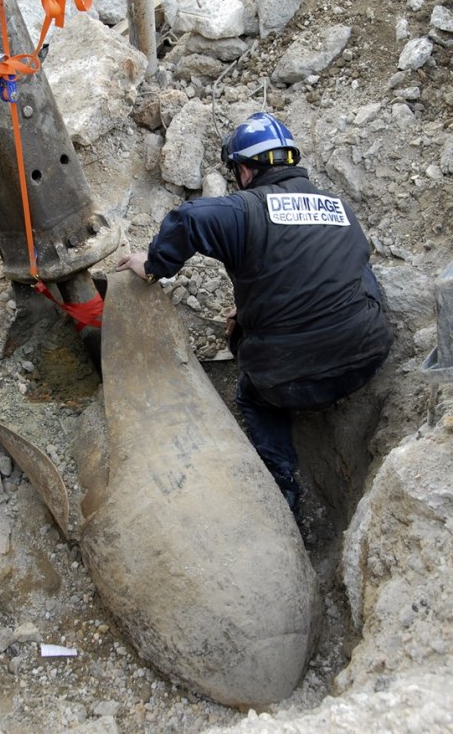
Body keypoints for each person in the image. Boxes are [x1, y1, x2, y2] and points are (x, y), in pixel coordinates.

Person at [117, 112, 392, 515]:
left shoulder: (246, 209)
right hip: (368, 359)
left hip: (289, 383)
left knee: (253, 394)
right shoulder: (339, 209)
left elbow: (188, 219)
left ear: (245, 170)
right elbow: (320, 273)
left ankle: (282, 486)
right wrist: (251, 310)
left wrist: (155, 264)